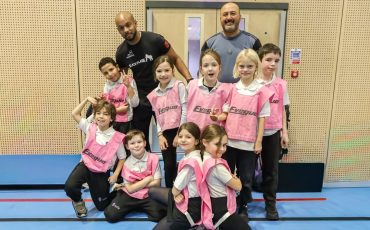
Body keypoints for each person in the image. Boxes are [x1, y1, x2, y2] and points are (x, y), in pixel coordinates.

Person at [115, 11, 192, 150]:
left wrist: (189, 79)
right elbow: (123, 79)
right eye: (121, 28)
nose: (126, 30)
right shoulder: (121, 53)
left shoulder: (155, 40)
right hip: (141, 100)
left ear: (135, 23)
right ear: (118, 30)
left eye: (128, 25)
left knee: (167, 140)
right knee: (140, 139)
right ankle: (145, 169)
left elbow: (175, 59)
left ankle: (170, 169)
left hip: (163, 96)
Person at [215, 48, 274, 220]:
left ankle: (243, 205)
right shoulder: (232, 89)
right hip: (230, 141)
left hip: (248, 144)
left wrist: (259, 141)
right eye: (242, 66)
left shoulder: (261, 90)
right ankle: (226, 204)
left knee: (246, 177)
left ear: (256, 67)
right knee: (226, 174)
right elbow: (225, 114)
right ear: (236, 67)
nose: (245, 69)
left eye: (249, 66)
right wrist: (216, 116)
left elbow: (262, 119)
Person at [65, 98, 126, 218]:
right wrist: (87, 100)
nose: (101, 116)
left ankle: (120, 190)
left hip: (101, 173)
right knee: (70, 187)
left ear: (112, 118)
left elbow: (122, 158)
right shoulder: (89, 127)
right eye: (98, 113)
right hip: (85, 166)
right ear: (94, 115)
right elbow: (74, 113)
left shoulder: (117, 137)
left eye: (105, 114)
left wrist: (115, 175)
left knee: (102, 206)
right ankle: (78, 202)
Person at [150, 122, 211, 230]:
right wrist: (176, 193)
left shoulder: (190, 163)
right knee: (152, 191)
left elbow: (175, 190)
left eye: (188, 137)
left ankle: (192, 224)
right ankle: (172, 211)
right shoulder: (195, 155)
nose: (183, 139)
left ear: (197, 141)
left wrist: (175, 193)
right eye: (180, 136)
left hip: (191, 207)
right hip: (187, 196)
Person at [104, 129, 166, 223]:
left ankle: (138, 207)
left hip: (148, 195)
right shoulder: (126, 164)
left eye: (139, 142)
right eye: (132, 143)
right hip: (130, 195)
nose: (136, 145)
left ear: (145, 143)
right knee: (110, 215)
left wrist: (135, 185)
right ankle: (123, 198)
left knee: (160, 215)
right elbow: (130, 190)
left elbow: (156, 184)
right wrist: (148, 179)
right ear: (127, 146)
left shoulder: (154, 158)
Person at [258, 43, 289, 220]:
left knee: (271, 171)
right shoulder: (253, 83)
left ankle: (270, 205)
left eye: (276, 60)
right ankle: (243, 204)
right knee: (245, 172)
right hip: (253, 135)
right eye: (268, 59)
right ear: (260, 60)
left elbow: (283, 109)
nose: (272, 64)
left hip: (272, 133)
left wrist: (284, 132)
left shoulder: (281, 84)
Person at [147, 55, 187, 188]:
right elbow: (157, 117)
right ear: (155, 73)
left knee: (189, 161)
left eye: (167, 70)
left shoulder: (179, 86)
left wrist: (180, 134)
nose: (163, 74)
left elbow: (185, 110)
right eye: (159, 71)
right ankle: (170, 192)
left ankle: (186, 189)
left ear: (172, 71)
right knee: (168, 165)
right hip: (165, 133)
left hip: (182, 129)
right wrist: (159, 135)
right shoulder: (153, 94)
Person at [201, 124, 251, 230]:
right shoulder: (217, 166)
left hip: (212, 207)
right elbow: (238, 187)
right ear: (205, 142)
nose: (222, 149)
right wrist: (236, 179)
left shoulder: (202, 158)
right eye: (217, 144)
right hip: (222, 210)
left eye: (224, 145)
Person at [201, 2, 261, 83]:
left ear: (240, 17)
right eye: (225, 14)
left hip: (244, 93)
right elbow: (203, 71)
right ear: (220, 19)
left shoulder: (253, 42)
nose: (229, 17)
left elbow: (260, 70)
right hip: (217, 93)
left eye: (233, 13)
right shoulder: (209, 43)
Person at [186, 49, 232, 131]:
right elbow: (183, 110)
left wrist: (217, 117)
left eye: (214, 65)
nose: (210, 68)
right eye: (206, 65)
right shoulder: (191, 85)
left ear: (220, 68)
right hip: (192, 135)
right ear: (201, 69)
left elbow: (226, 114)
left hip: (213, 137)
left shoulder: (227, 90)